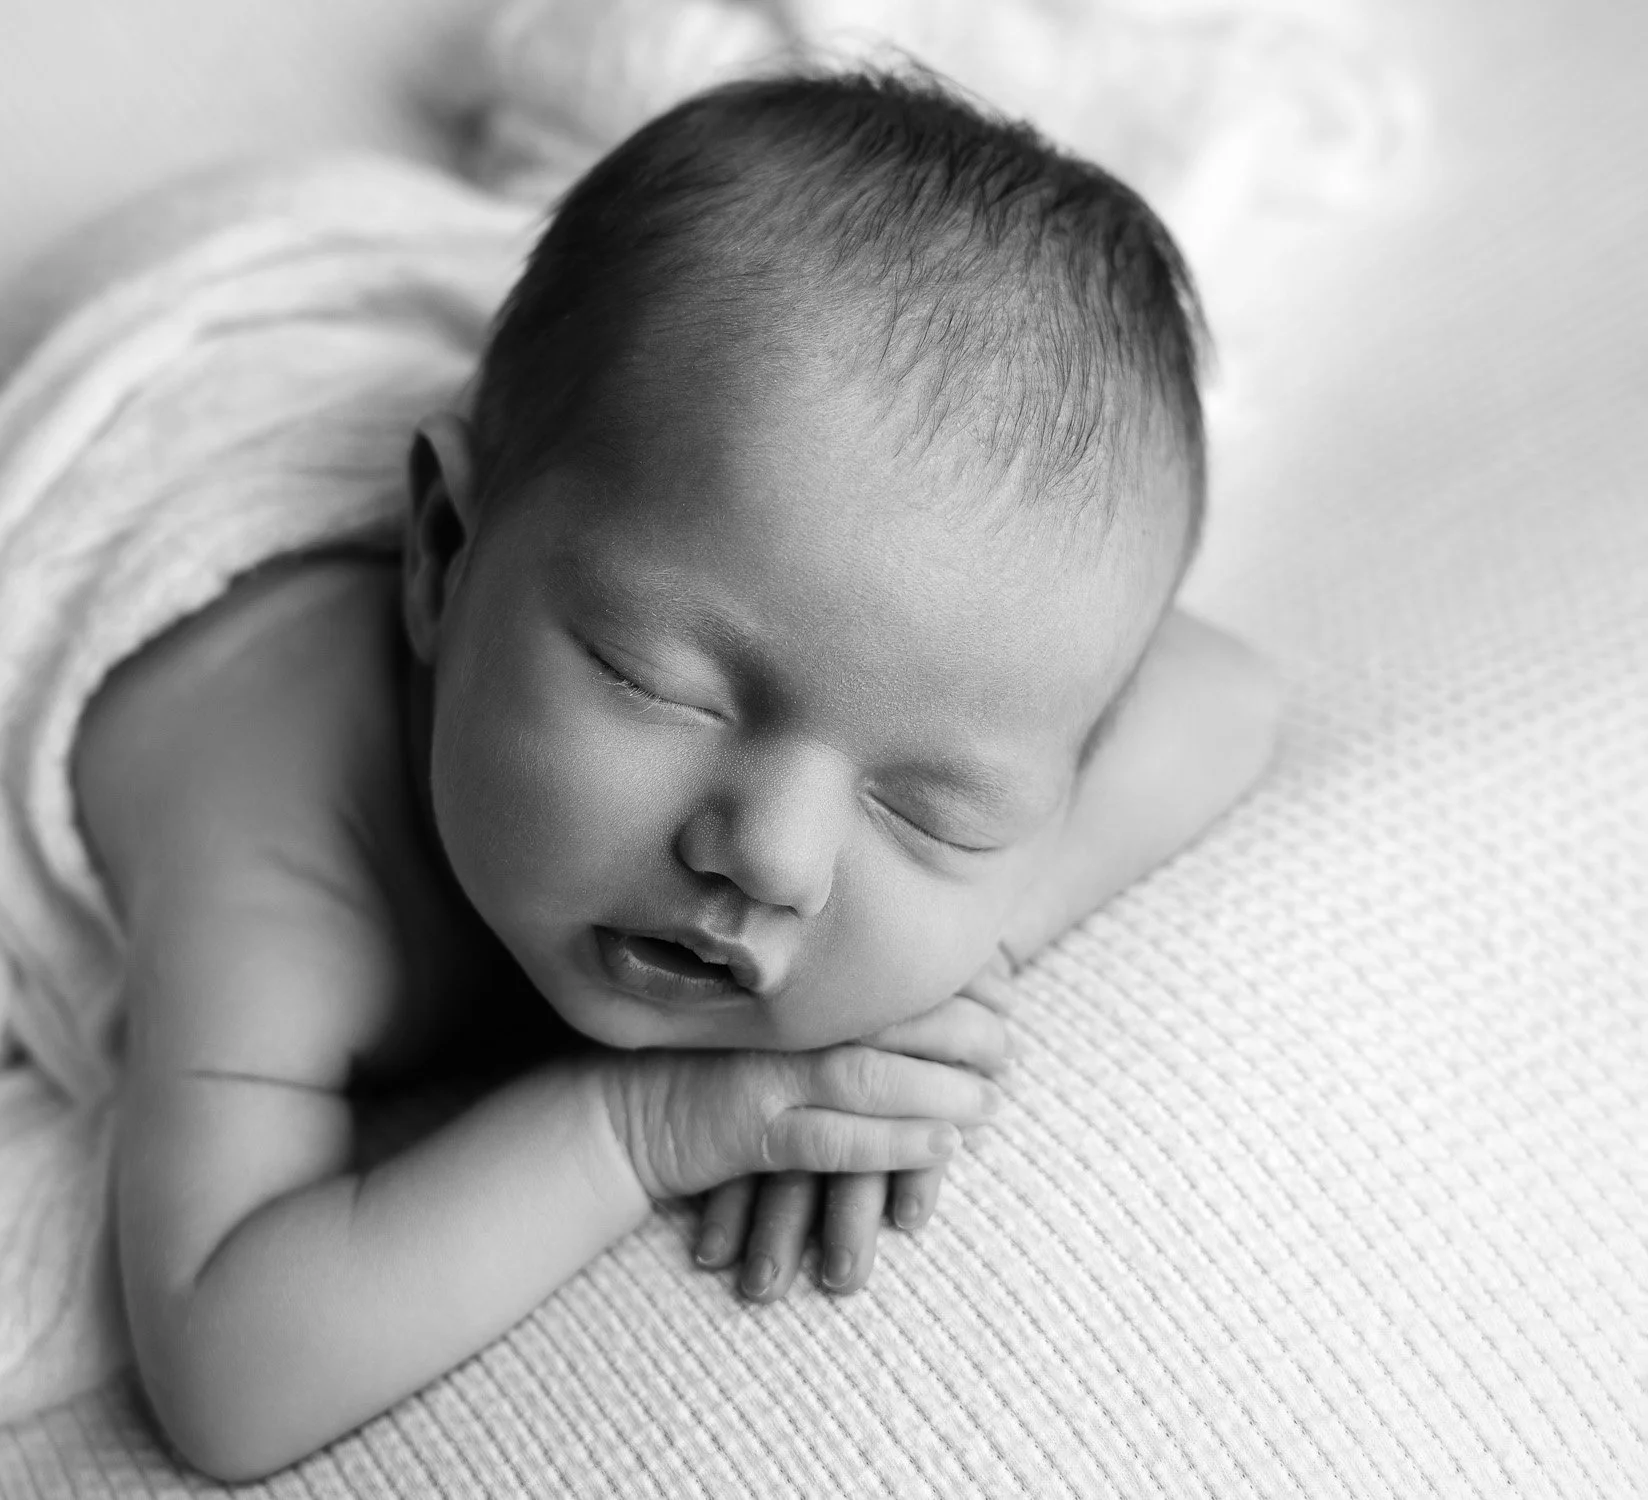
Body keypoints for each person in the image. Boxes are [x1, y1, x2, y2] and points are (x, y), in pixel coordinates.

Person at [70, 69, 1282, 1482]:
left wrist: (946, 956)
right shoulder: (282, 840)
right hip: (158, 424)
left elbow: (1229, 700)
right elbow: (229, 1371)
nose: (773, 857)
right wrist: (647, 1124)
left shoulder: (866, 698)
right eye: (660, 684)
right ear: (444, 558)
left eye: (931, 806)